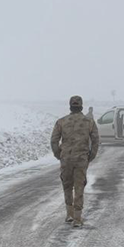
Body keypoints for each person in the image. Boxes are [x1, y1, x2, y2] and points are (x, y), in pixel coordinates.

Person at [50, 95, 100, 227]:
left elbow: (54, 141)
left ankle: (69, 214)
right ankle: (77, 218)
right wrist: (91, 156)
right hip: (81, 159)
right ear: (81, 106)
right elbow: (96, 140)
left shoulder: (61, 122)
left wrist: (59, 155)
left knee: (67, 185)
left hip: (66, 159)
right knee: (79, 186)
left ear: (70, 106)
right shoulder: (89, 122)